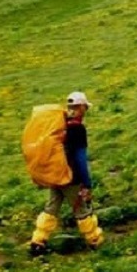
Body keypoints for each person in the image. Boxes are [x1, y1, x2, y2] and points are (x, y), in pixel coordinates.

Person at [28, 92, 104, 256]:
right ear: (81, 107)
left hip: (56, 174)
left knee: (51, 208)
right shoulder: (78, 129)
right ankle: (94, 241)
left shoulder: (60, 125)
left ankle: (38, 241)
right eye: (85, 107)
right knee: (82, 210)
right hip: (71, 177)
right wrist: (86, 183)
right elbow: (80, 158)